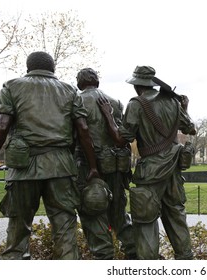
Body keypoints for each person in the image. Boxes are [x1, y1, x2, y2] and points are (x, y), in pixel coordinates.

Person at [0, 51, 99, 260]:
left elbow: (1, 128)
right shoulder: (69, 90)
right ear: (52, 69)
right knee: (65, 230)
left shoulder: (12, 86)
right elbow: (83, 130)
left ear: (28, 68)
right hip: (61, 168)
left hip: (23, 169)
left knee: (18, 233)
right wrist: (93, 166)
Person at [97, 65, 196, 260]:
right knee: (176, 215)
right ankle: (186, 260)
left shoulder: (136, 104)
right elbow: (190, 128)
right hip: (174, 168)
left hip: (151, 171)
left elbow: (121, 139)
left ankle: (148, 267)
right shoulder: (172, 101)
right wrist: (184, 109)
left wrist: (109, 116)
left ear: (136, 85)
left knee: (145, 220)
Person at [74, 68, 136, 259]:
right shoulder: (115, 102)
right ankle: (134, 252)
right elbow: (119, 135)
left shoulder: (76, 100)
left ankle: (104, 258)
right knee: (119, 213)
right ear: (96, 81)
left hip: (88, 167)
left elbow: (76, 135)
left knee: (93, 211)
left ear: (79, 82)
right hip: (115, 166)